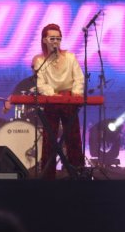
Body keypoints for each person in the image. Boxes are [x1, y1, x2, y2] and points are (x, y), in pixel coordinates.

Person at [32, 23, 85, 179]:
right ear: (44, 40)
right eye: (52, 38)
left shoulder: (70, 57)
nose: (55, 41)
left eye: (58, 38)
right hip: (51, 101)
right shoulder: (40, 60)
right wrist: (52, 94)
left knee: (73, 137)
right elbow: (41, 84)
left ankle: (77, 173)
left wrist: (76, 93)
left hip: (69, 100)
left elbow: (79, 78)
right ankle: (48, 176)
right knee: (49, 139)